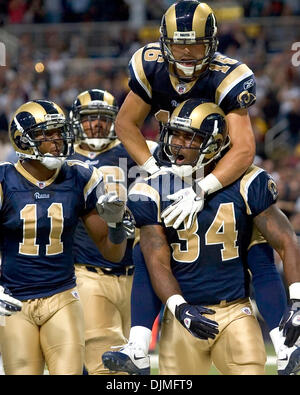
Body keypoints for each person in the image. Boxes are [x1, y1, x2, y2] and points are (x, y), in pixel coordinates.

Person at [103, 99, 300, 375]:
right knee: (142, 249)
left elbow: (286, 242)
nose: (178, 144)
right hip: (185, 312)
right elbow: (155, 261)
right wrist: (179, 307)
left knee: (259, 243)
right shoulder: (153, 188)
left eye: (189, 137)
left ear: (214, 143)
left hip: (234, 310)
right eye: (176, 135)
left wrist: (298, 299)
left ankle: (284, 344)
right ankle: (138, 343)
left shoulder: (247, 181)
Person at [0, 99, 127, 375]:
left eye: (59, 132)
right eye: (47, 134)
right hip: (13, 299)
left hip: (63, 296)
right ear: (24, 140)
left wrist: (117, 226)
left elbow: (112, 253)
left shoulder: (80, 176)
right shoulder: (4, 180)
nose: (57, 140)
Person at [115, 0, 256, 229]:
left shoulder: (228, 77)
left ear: (212, 43)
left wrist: (204, 187)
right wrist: (154, 169)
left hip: (216, 166)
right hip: (171, 159)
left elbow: (244, 148)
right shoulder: (151, 66)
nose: (187, 52)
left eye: (196, 44)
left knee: (256, 199)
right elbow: (125, 123)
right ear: (165, 43)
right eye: (179, 44)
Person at [69, 88, 157, 375]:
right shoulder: (65, 160)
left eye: (102, 118)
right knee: (104, 361)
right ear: (76, 121)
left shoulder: (131, 151)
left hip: (136, 273)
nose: (96, 124)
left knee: (137, 361)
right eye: (89, 117)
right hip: (88, 270)